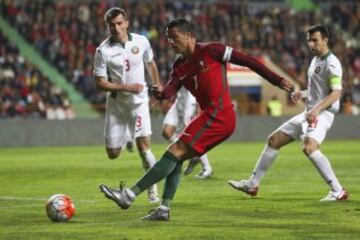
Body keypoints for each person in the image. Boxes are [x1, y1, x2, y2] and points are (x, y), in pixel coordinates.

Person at [99, 18, 292, 221]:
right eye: (168, 39)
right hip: (209, 115)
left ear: (189, 36)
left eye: (174, 38)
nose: (171, 43)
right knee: (177, 156)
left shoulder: (212, 51)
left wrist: (277, 80)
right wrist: (161, 93)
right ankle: (163, 209)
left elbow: (249, 61)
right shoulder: (179, 67)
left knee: (174, 152)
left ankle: (128, 196)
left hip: (220, 115)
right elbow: (170, 91)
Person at [228, 25, 349, 202]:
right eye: (309, 40)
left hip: (321, 113)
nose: (311, 44)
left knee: (309, 148)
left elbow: (336, 92)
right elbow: (320, 90)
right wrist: (304, 94)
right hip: (309, 112)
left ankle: (338, 191)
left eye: (315, 40)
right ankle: (252, 184)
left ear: (325, 40)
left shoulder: (332, 64)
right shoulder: (316, 60)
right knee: (273, 140)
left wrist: (316, 110)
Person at [93, 7, 161, 203]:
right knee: (113, 154)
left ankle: (152, 191)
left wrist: (156, 86)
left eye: (119, 23)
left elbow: (150, 63)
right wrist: (127, 87)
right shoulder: (103, 51)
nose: (116, 28)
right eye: (111, 25)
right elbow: (100, 83)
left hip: (139, 105)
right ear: (107, 26)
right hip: (116, 106)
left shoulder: (141, 41)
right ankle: (127, 136)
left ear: (126, 23)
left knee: (144, 147)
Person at [162, 87, 213, 179]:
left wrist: (199, 104)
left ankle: (207, 167)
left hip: (189, 100)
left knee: (189, 134)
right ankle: (192, 157)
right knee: (166, 132)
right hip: (179, 99)